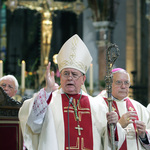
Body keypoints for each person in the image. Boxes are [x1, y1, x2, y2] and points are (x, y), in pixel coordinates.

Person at [19, 34, 119, 150]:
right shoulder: (49, 102)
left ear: (83, 79)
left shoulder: (97, 105)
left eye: (74, 74)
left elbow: (108, 140)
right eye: (66, 74)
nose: (70, 78)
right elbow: (34, 124)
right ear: (60, 77)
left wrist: (113, 125)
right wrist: (47, 90)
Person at [96, 68, 150, 149]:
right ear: (109, 84)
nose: (123, 86)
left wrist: (143, 135)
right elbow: (95, 137)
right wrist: (118, 126)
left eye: (126, 83)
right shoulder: (98, 105)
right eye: (118, 82)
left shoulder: (139, 107)